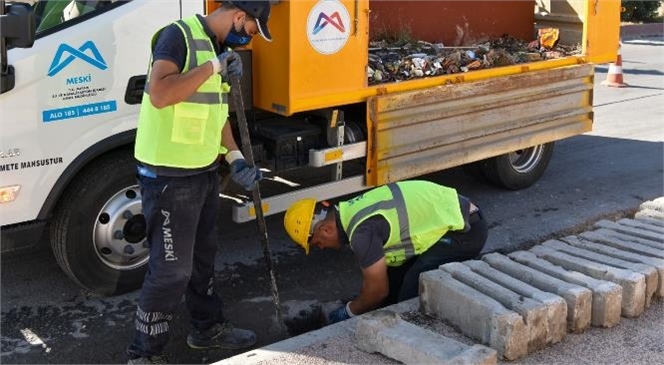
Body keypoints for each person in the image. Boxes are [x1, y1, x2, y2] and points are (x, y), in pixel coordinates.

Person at [126, 1, 273, 364]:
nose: (248, 38)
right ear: (240, 16)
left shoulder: (218, 49)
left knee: (203, 260)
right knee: (172, 271)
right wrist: (213, 67)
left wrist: (235, 157)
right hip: (168, 177)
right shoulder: (178, 37)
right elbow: (160, 94)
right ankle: (144, 354)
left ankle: (206, 330)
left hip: (203, 172)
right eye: (253, 29)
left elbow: (215, 112)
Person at [283, 180, 488, 324]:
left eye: (317, 243)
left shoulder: (361, 233)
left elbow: (378, 291)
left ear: (325, 229)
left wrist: (348, 312)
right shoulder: (350, 210)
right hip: (457, 216)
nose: (320, 247)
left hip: (465, 231)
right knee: (393, 282)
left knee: (408, 298)